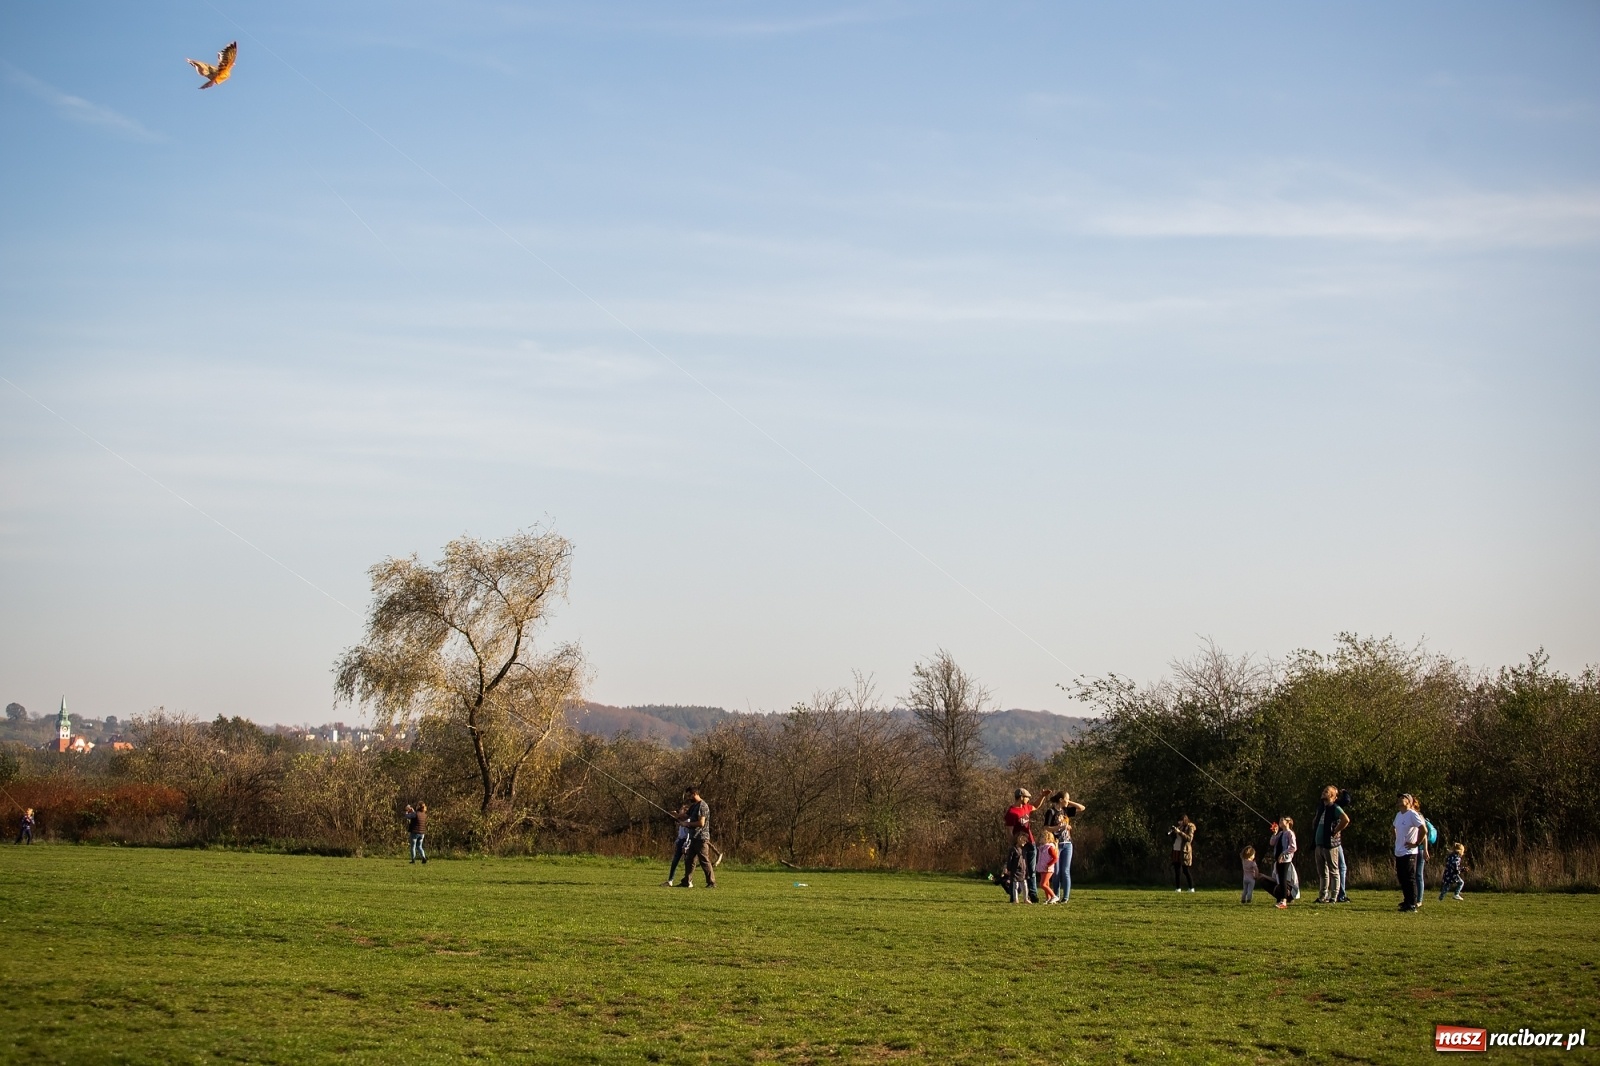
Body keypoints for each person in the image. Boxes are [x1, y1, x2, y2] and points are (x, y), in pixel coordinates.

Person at [1041, 791, 1086, 902]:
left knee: (1065, 871)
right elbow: (1046, 828)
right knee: (1056, 872)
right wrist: (1058, 827)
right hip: (1056, 844)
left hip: (1067, 844)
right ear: (1060, 800)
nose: (1068, 801)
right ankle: (1055, 895)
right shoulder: (1051, 812)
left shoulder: (1065, 810)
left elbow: (1082, 808)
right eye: (1066, 798)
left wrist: (1068, 801)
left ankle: (1065, 897)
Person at [1311, 785, 1350, 904]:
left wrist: (1336, 830)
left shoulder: (1335, 808)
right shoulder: (1321, 808)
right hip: (1319, 845)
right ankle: (1322, 896)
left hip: (1330, 845)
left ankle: (1334, 896)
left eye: (1326, 792)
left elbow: (1345, 820)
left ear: (1333, 795)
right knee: (1322, 873)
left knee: (1334, 871)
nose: (1323, 793)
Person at [1392, 793, 1427, 912]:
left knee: (1409, 877)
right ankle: (1406, 900)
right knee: (1402, 877)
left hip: (1409, 851)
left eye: (1403, 798)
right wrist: (1396, 839)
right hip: (1399, 851)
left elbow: (1423, 830)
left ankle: (1412, 903)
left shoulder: (1412, 814)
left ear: (1409, 802)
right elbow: (1393, 828)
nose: (1400, 799)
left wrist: (1416, 843)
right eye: (1400, 797)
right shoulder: (1398, 815)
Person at [1004, 789, 1039, 903]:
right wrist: (1014, 845)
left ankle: (1033, 894)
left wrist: (1043, 796)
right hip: (1020, 846)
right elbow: (1009, 831)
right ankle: (1014, 896)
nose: (1028, 799)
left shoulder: (1026, 807)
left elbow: (1036, 806)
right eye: (1027, 797)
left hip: (1030, 843)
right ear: (1021, 797)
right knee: (1018, 870)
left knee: (1031, 870)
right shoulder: (1012, 812)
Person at [677, 786, 716, 888]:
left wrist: (687, 824)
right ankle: (686, 881)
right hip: (693, 837)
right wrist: (678, 816)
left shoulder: (703, 806)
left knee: (704, 860)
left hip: (701, 838)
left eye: (689, 795)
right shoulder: (694, 806)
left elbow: (701, 823)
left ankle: (711, 882)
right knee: (689, 860)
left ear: (695, 794)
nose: (688, 798)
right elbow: (686, 816)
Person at [1411, 794, 1434, 909]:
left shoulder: (1418, 816)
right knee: (1411, 875)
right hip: (1411, 849)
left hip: (1419, 849)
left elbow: (1424, 834)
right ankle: (1412, 898)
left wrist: (1425, 850)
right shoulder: (1407, 815)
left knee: (1418, 874)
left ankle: (1419, 900)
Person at [1270, 816, 1298, 909]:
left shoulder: (1290, 833)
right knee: (1280, 879)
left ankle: (1284, 900)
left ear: (1288, 822)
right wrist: (1274, 833)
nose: (1280, 821)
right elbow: (1272, 843)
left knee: (1283, 879)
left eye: (1282, 820)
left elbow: (1293, 847)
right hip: (1278, 859)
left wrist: (1283, 853)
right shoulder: (1281, 833)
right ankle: (1280, 899)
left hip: (1285, 859)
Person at [662, 803, 691, 887]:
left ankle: (688, 881)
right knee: (675, 861)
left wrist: (686, 845)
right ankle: (670, 880)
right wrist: (674, 814)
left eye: (681, 809)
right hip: (680, 841)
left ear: (685, 811)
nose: (680, 810)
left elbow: (688, 833)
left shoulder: (688, 820)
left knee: (688, 863)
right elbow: (675, 816)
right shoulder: (681, 818)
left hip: (687, 842)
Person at [1335, 789, 1355, 902]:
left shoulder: (1322, 806)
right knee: (1341, 867)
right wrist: (1345, 792)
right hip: (1335, 841)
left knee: (1332, 869)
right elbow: (1347, 800)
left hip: (1330, 841)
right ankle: (1340, 894)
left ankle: (1333, 893)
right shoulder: (1335, 805)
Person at [1169, 814, 1196, 892]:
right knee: (1177, 870)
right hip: (1176, 849)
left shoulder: (1190, 827)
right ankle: (1178, 888)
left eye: (1181, 821)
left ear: (1184, 820)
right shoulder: (1179, 827)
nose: (1179, 822)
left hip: (1184, 851)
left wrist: (1180, 832)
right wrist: (1173, 832)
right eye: (1178, 821)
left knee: (1185, 870)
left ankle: (1191, 888)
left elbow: (1189, 838)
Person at [1004, 830, 1030, 904]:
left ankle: (1026, 899)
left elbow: (1031, 847)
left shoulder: (1024, 849)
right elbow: (1009, 860)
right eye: (1024, 840)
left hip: (1023, 870)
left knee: (1024, 885)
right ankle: (1016, 899)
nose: (1025, 842)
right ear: (1019, 839)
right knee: (1015, 885)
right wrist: (1009, 869)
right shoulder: (1013, 849)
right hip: (1015, 870)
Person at [1037, 831, 1059, 904]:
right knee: (1046, 884)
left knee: (1042, 884)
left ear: (1047, 838)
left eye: (1043, 837)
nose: (1041, 839)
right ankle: (1048, 898)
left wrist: (1049, 864)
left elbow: (1055, 858)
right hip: (1042, 868)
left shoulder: (1050, 848)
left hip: (1048, 869)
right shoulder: (1042, 848)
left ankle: (1054, 896)